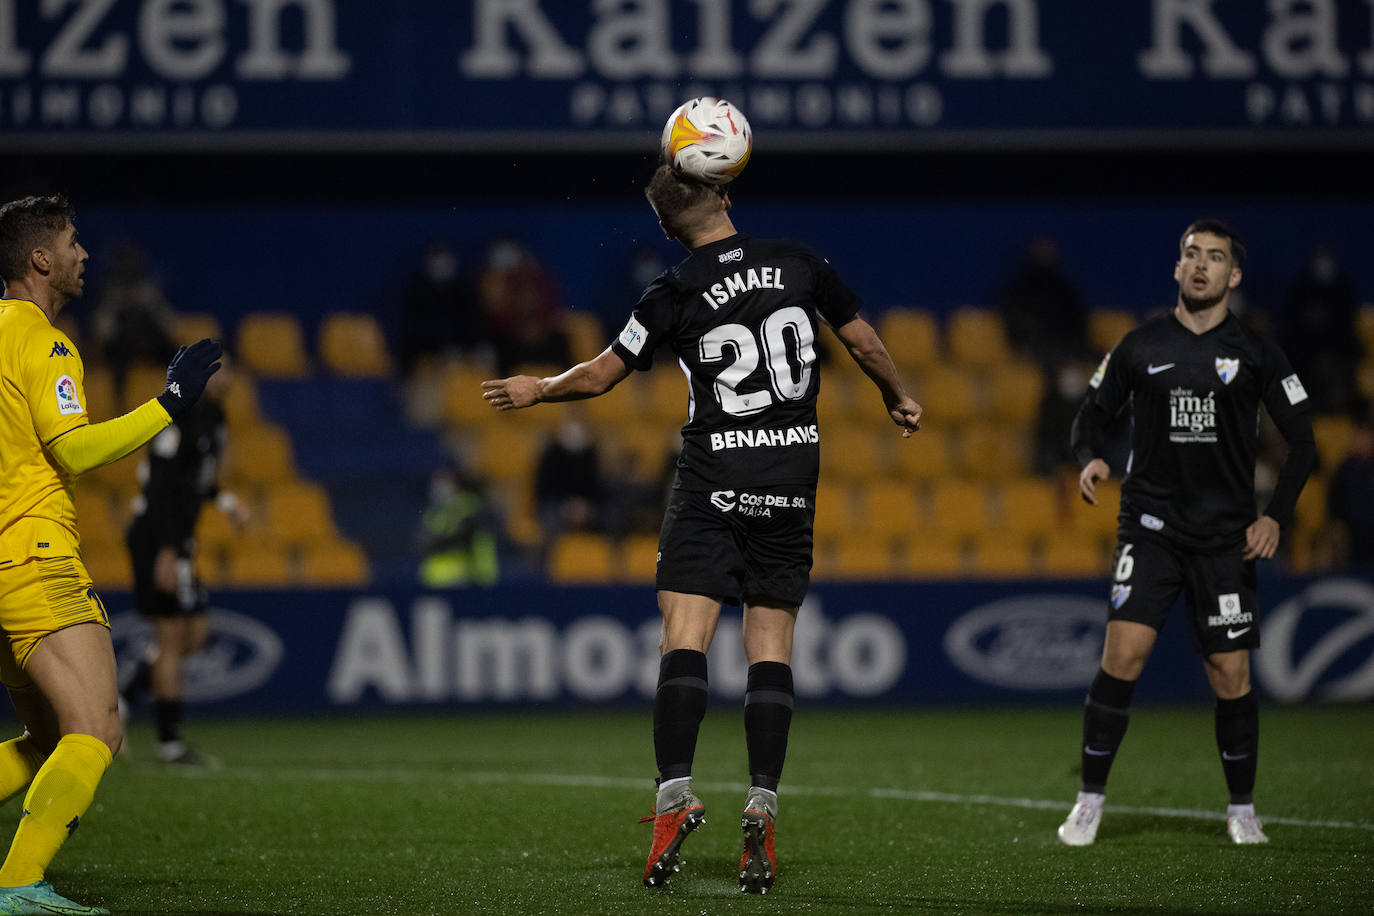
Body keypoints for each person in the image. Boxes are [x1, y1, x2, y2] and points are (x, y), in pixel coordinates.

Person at [481, 165, 921, 894]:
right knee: (770, 645)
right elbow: (865, 341)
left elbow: (601, 374)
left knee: (684, 637)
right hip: (789, 479)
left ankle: (673, 798)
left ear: (664, 228)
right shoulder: (799, 261)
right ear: (726, 195)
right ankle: (763, 803)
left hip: (713, 478)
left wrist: (540, 388)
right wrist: (897, 395)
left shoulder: (673, 289)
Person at [1059, 219, 1315, 848]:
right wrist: (1091, 455)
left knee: (1231, 675)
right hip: (1150, 530)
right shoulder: (1140, 346)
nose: (1201, 265)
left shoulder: (1257, 351)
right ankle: (1089, 799)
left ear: (1234, 276)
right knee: (1121, 657)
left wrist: (1274, 514)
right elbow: (1090, 416)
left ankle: (1243, 809)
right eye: (1192, 255)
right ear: (1177, 269)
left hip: (1226, 540)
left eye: (1216, 257)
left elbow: (1305, 442)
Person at [0, 194, 221, 915]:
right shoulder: (42, 340)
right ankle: (17, 884)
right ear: (40, 259)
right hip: (33, 556)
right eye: (70, 240)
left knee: (48, 735)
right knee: (97, 728)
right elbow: (75, 448)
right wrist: (171, 402)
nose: (83, 253)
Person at [118, 355, 248, 768]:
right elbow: (162, 487)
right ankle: (169, 744)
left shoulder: (215, 415)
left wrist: (226, 502)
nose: (226, 377)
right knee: (173, 639)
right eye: (218, 369)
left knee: (194, 636)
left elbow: (198, 480)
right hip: (157, 535)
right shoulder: (180, 415)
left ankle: (124, 695)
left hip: (177, 538)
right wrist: (168, 551)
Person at [417, 464, 500, 588]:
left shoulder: (470, 507)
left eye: (444, 480)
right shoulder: (437, 511)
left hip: (462, 576)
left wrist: (437, 543)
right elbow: (422, 541)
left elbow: (464, 538)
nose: (439, 486)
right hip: (434, 578)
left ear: (456, 483)